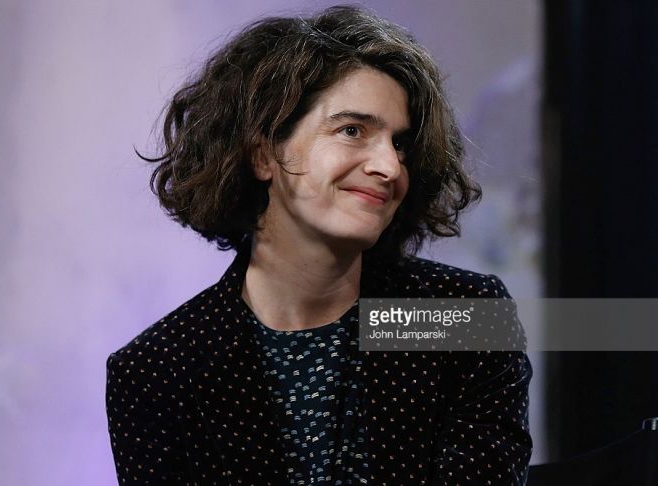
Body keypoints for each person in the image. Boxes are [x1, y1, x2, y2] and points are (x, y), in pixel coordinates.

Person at [105, 5, 532, 485]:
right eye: (353, 131)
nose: (389, 168)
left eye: (400, 145)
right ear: (264, 153)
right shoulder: (158, 370)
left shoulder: (463, 316)